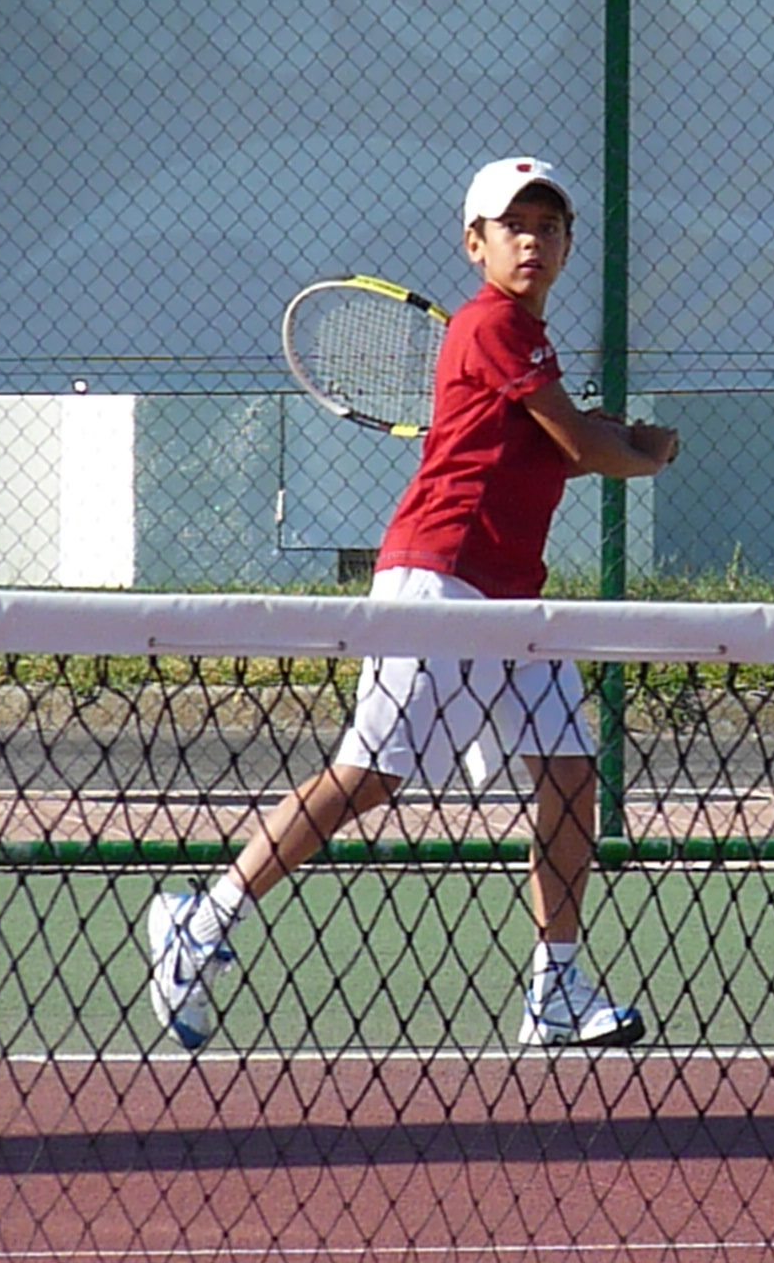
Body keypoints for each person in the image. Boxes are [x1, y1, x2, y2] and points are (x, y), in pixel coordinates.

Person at [145, 156, 680, 1053]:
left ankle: (554, 988)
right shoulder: (491, 324)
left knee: (570, 775)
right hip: (442, 580)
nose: (533, 242)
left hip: (512, 597)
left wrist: (618, 440)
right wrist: (647, 452)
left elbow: (566, 443)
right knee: (373, 776)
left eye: (549, 228)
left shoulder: (527, 342)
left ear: (567, 245)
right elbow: (584, 447)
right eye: (514, 226)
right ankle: (203, 919)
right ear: (476, 244)